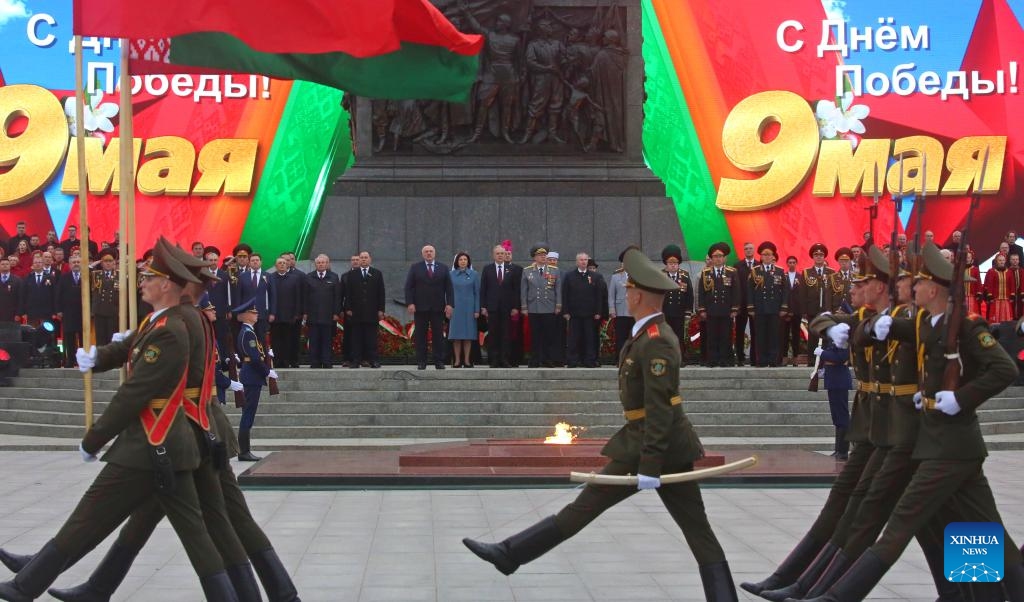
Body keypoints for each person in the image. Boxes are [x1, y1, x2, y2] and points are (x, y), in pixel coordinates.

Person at [463, 247, 739, 600]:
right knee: (606, 509)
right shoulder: (646, 334)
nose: (626, 294)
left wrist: (650, 464)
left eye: (629, 289)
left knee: (676, 523)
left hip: (657, 446)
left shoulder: (657, 341)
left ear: (639, 296)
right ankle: (509, 554)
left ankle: (510, 554)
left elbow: (660, 407)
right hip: (647, 442)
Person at [0, 243, 241, 600]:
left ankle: (26, 586)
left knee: (90, 515)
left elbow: (134, 393)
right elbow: (131, 347)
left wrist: (93, 439)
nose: (142, 282)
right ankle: (86, 586)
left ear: (168, 285)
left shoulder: (172, 327)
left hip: (151, 442)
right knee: (194, 535)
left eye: (149, 277)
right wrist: (96, 357)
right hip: (170, 444)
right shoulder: (162, 321)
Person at [803, 242, 1024, 602]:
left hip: (950, 446)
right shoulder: (926, 322)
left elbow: (1004, 368)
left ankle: (836, 597)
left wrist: (961, 398)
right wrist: (873, 327)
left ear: (934, 289)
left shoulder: (967, 326)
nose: (911, 287)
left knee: (901, 522)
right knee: (978, 528)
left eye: (918, 282)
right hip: (939, 441)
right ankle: (987, 595)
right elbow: (893, 331)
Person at [235, 297, 277, 461]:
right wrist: (267, 372)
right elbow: (253, 358)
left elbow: (256, 354)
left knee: (249, 413)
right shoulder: (248, 333)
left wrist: (266, 355)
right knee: (248, 414)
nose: (256, 314)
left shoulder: (249, 332)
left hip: (251, 376)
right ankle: (244, 451)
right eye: (253, 312)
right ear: (246, 315)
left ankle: (244, 450)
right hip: (252, 376)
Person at [405, 245, 454, 370]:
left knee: (438, 336)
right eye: (426, 251)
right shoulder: (415, 267)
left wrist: (449, 304)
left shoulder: (443, 268)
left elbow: (449, 288)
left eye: (431, 251)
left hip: (438, 308)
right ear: (423, 254)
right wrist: (410, 303)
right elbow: (409, 287)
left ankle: (439, 361)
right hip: (420, 308)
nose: (429, 253)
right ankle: (421, 361)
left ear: (434, 253)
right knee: (421, 336)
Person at [698, 243, 740, 367]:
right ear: (711, 258)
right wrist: (702, 309)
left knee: (725, 336)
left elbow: (736, 292)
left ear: (725, 258)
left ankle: (725, 359)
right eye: (715, 256)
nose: (718, 259)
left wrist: (735, 309)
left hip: (726, 310)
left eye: (720, 256)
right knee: (712, 336)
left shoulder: (732, 272)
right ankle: (712, 360)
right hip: (711, 310)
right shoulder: (706, 273)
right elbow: (701, 292)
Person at [521, 244, 562, 367]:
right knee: (535, 335)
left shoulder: (554, 270)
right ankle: (535, 359)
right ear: (534, 257)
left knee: (549, 335)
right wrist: (524, 307)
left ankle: (547, 359)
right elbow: (524, 290)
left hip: (549, 307)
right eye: (540, 255)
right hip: (534, 307)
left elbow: (558, 289)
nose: (543, 257)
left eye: (544, 255)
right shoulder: (527, 271)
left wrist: (558, 305)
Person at [747, 242, 787, 367]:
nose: (767, 257)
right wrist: (751, 307)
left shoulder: (779, 271)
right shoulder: (755, 271)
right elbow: (749, 290)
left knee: (774, 335)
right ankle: (762, 360)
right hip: (760, 308)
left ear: (773, 256)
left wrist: (784, 307)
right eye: (765, 255)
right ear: (761, 256)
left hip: (775, 308)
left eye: (769, 255)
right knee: (761, 335)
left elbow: (785, 291)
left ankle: (773, 359)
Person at [343, 251, 385, 369]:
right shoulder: (352, 274)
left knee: (371, 338)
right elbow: (348, 293)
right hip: (356, 312)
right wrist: (348, 308)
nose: (363, 259)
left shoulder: (377, 273)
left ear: (370, 259)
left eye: (366, 257)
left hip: (372, 312)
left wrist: (381, 309)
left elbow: (381, 293)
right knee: (356, 338)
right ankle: (356, 360)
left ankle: (373, 360)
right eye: (361, 257)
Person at [480, 245, 520, 367]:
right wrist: (483, 306)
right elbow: (483, 289)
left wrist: (515, 307)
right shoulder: (487, 269)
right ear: (493, 255)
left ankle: (504, 359)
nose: (500, 255)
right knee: (493, 334)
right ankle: (494, 360)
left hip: (507, 308)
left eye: (502, 253)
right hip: (492, 308)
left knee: (506, 334)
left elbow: (516, 290)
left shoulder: (511, 269)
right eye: (498, 253)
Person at [561, 252, 604, 368]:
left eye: (585, 260)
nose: (584, 262)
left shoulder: (595, 276)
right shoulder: (569, 276)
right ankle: (572, 360)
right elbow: (565, 294)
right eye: (581, 260)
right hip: (574, 314)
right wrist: (565, 311)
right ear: (577, 262)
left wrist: (598, 312)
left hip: (590, 314)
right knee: (574, 338)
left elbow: (599, 296)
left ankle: (589, 360)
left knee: (590, 338)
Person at [304, 254, 342, 369]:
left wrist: (336, 312)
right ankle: (314, 362)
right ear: (315, 264)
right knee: (314, 340)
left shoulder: (334, 277)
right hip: (313, 315)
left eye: (323, 262)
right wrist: (305, 312)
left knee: (327, 340)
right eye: (318, 263)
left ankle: (327, 361)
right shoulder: (309, 277)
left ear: (327, 264)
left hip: (328, 316)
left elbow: (338, 297)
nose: (321, 264)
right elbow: (304, 296)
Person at [817, 337, 851, 461]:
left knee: (842, 417)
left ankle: (843, 451)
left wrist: (823, 353)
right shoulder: (833, 338)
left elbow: (841, 357)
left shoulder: (842, 337)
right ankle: (838, 449)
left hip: (839, 381)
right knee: (837, 417)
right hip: (833, 380)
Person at [660, 245, 694, 365]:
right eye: (670, 263)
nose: (673, 265)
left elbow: (689, 295)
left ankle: (679, 359)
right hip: (665, 313)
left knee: (679, 337)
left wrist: (688, 312)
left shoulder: (684, 276)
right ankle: (665, 359)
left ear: (678, 264)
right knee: (665, 337)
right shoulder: (660, 276)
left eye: (675, 263)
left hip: (679, 313)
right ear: (666, 264)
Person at [801, 243, 835, 360]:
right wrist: (804, 310)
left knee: (826, 334)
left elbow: (833, 292)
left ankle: (825, 359)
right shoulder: (806, 272)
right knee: (813, 334)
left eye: (821, 255)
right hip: (812, 309)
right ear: (813, 257)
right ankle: (812, 359)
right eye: (816, 255)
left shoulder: (831, 272)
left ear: (824, 256)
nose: (819, 257)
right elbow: (803, 293)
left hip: (826, 309)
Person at [268, 256, 304, 368]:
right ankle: (277, 361)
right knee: (275, 340)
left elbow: (298, 296)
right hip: (275, 315)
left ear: (287, 265)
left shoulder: (294, 278)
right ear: (276, 266)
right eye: (280, 263)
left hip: (289, 315)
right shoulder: (270, 278)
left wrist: (297, 313)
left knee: (288, 340)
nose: (282, 265)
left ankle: (287, 361)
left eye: (284, 263)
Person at [448, 251, 481, 368]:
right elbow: (447, 292)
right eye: (460, 259)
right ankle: (457, 360)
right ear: (457, 262)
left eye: (465, 260)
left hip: (469, 309)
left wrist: (477, 310)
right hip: (455, 308)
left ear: (468, 262)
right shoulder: (451, 274)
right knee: (456, 336)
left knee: (468, 336)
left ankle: (467, 360)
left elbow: (477, 293)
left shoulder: (474, 274)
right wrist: (448, 307)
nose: (463, 261)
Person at [238, 252, 275, 340]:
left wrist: (272, 313)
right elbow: (239, 295)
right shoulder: (242, 276)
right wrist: (239, 312)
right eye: (252, 260)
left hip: (262, 313)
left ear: (261, 262)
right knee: (248, 339)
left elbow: (273, 296)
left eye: (257, 260)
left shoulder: (268, 276)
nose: (255, 262)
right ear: (249, 262)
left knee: (261, 338)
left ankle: (262, 350)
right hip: (247, 313)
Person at [55, 256, 84, 368]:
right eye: (74, 262)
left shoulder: (87, 276)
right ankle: (70, 360)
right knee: (69, 337)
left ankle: (82, 360)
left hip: (83, 312)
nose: (76, 264)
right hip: (68, 312)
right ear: (70, 264)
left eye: (78, 262)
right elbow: (58, 294)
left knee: (83, 337)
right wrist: (59, 310)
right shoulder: (64, 277)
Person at [607, 247, 635, 358]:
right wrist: (612, 309)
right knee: (621, 337)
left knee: (634, 337)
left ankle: (633, 359)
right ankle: (620, 358)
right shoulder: (616, 277)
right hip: (621, 311)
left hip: (635, 312)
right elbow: (611, 295)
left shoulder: (639, 277)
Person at [733, 242, 757, 365]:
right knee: (739, 331)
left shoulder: (759, 265)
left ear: (754, 250)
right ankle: (740, 357)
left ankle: (754, 357)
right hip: (741, 305)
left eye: (750, 248)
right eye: (746, 249)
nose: (748, 250)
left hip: (755, 304)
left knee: (755, 331)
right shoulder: (737, 266)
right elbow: (735, 286)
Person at [91, 252, 119, 345]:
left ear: (114, 263)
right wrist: (93, 264)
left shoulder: (119, 275)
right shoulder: (96, 274)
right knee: (100, 337)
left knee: (112, 337)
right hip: (99, 310)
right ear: (101, 263)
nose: (108, 263)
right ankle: (101, 354)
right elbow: (84, 275)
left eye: (110, 261)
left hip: (113, 310)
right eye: (105, 261)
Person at [982, 252, 1014, 322]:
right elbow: (990, 284)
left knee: (1007, 318)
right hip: (995, 299)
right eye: (1000, 260)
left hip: (1006, 299)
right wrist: (990, 296)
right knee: (995, 317)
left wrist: (1012, 295)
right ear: (996, 261)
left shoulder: (1009, 272)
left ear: (1005, 261)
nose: (1002, 262)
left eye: (1003, 260)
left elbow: (1012, 284)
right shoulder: (992, 271)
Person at [782, 255, 802, 366]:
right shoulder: (783, 276)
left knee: (796, 335)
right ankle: (784, 357)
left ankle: (795, 358)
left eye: (794, 262)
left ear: (796, 263)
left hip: (797, 310)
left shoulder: (801, 277)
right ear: (787, 264)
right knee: (784, 335)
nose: (792, 264)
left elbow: (802, 294)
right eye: (790, 262)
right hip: (785, 310)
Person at [0, 258, 21, 322]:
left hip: (12, 314)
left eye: (7, 264)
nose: (5, 265)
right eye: (2, 264)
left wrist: (18, 314)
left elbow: (20, 298)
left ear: (10, 266)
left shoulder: (17, 280)